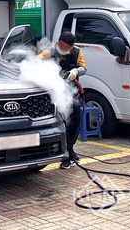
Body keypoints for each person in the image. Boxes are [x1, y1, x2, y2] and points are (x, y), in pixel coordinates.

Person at [37, 31, 86, 169]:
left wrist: (76, 72)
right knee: (63, 125)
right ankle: (67, 155)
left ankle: (71, 150)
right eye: (61, 46)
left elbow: (83, 68)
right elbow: (35, 62)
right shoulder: (49, 53)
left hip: (73, 94)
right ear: (58, 41)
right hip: (56, 98)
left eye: (66, 48)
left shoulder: (77, 53)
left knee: (75, 124)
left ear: (72, 46)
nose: (63, 49)